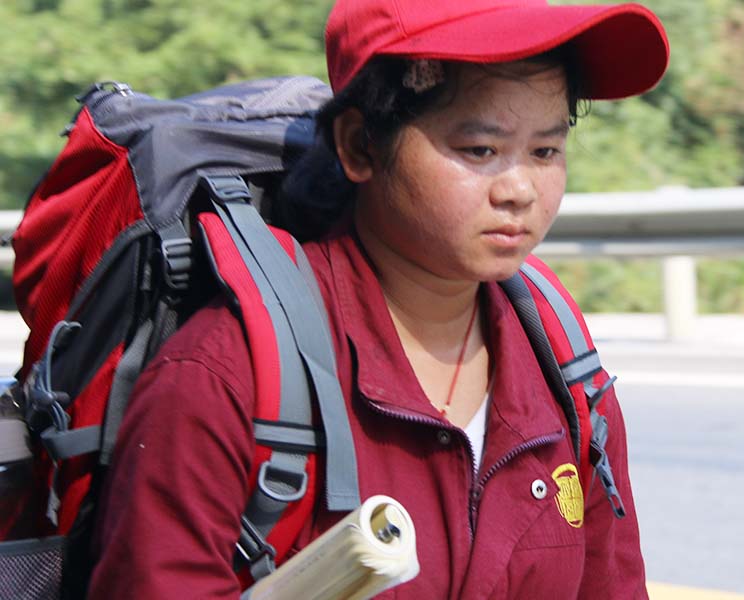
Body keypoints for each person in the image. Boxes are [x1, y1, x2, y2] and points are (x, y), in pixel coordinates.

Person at [87, 0, 669, 598]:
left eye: (545, 151)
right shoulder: (225, 376)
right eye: (479, 149)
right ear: (360, 146)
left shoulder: (564, 369)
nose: (520, 189)